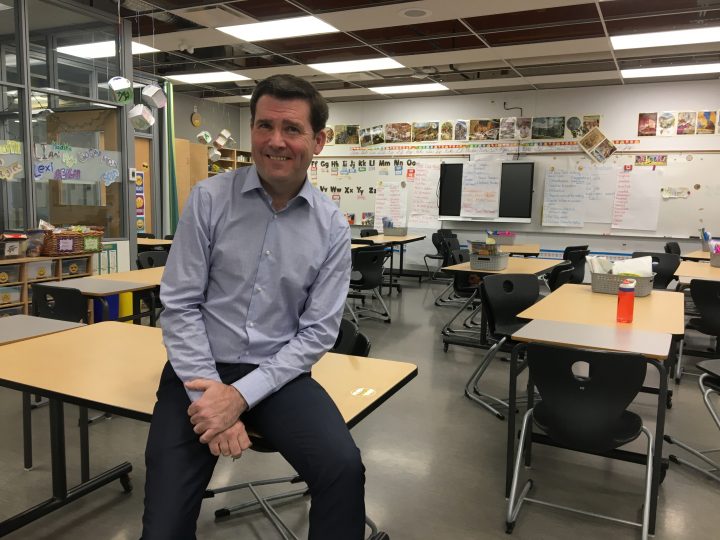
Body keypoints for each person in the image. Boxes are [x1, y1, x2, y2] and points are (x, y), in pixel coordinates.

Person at [141, 74, 373, 539]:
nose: (276, 141)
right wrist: (211, 398)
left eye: (292, 129)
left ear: (318, 141)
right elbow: (181, 305)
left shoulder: (331, 227)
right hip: (198, 371)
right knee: (163, 525)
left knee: (343, 468)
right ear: (252, 130)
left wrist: (240, 397)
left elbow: (317, 332)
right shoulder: (209, 200)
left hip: (278, 375)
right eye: (265, 125)